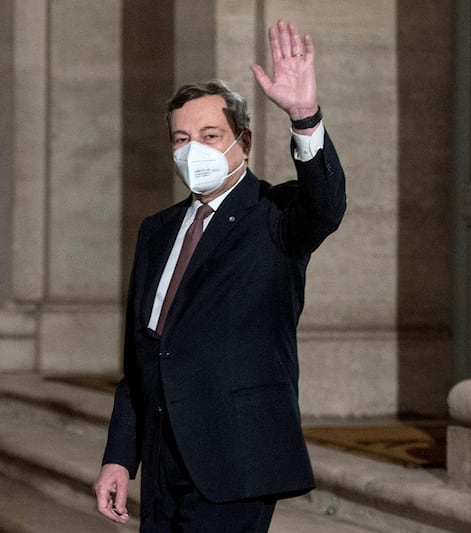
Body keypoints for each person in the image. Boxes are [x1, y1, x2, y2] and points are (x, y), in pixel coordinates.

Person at [93, 19, 345, 531]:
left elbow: (326, 205)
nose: (194, 150)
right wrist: (119, 456)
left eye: (210, 135)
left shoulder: (275, 216)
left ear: (243, 142)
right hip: (163, 458)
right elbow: (141, 357)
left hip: (237, 456)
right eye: (182, 139)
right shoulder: (157, 231)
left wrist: (304, 116)